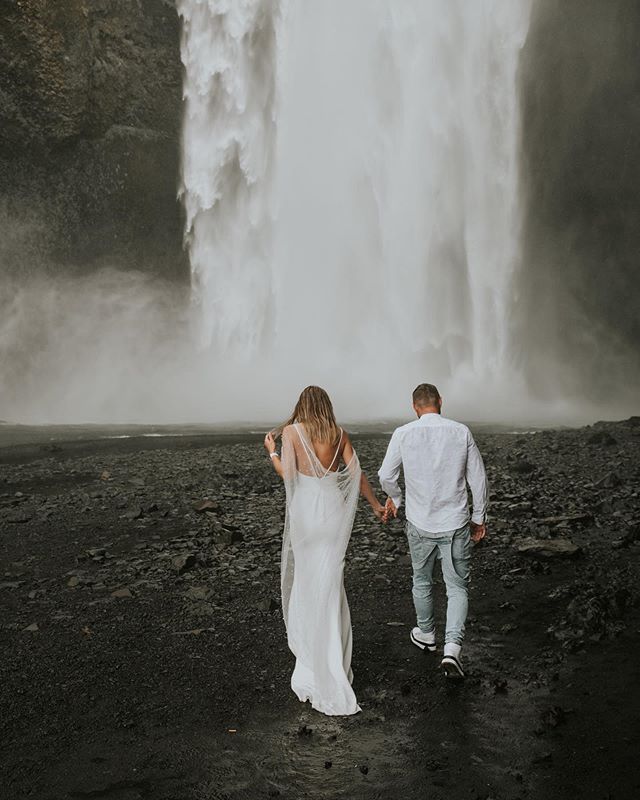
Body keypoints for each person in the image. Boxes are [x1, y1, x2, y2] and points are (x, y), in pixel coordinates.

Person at [264, 385, 385, 715]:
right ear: (326, 406)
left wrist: (272, 452)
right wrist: (375, 505)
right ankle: (335, 666)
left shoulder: (291, 432)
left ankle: (312, 661)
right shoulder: (339, 433)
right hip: (332, 510)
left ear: (303, 406)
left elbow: (286, 472)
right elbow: (357, 474)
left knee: (307, 582)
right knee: (332, 586)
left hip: (306, 512)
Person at [378, 383, 488, 679]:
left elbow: (385, 475)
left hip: (419, 521)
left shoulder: (403, 433)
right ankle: (452, 648)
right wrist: (478, 517)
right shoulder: (461, 431)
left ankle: (426, 633)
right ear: (440, 401)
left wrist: (397, 500)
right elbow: (478, 479)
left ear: (414, 407)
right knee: (457, 587)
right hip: (454, 523)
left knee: (422, 580)